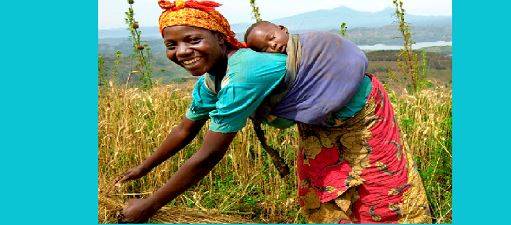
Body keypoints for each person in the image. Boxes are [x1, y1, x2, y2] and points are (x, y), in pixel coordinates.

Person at [116, 0, 431, 223]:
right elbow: (186, 129)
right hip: (320, 122)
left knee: (379, 188)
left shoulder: (244, 75)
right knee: (321, 187)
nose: (182, 52)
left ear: (221, 38)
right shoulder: (211, 80)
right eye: (171, 45)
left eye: (193, 39)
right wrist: (143, 169)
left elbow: (209, 156)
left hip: (362, 112)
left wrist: (150, 205)